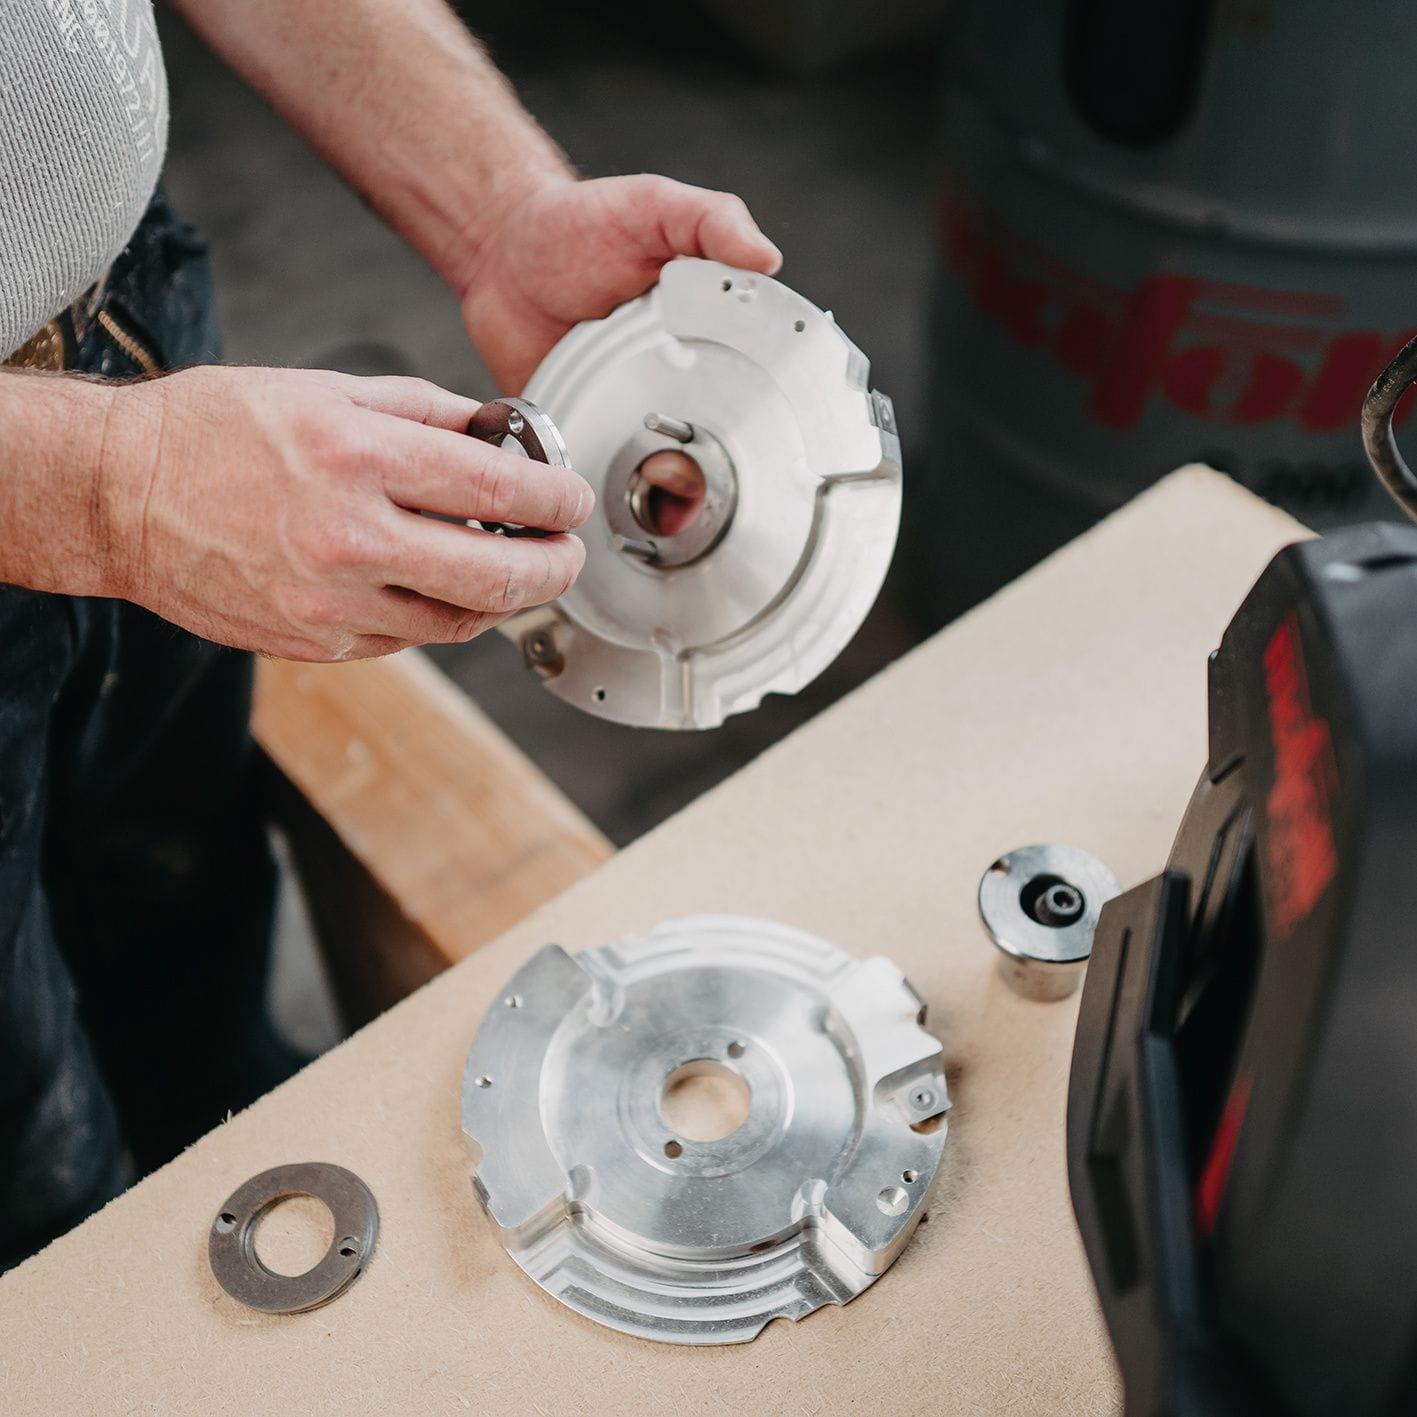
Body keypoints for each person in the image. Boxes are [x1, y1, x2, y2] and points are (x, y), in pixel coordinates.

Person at [0, 0, 782, 1271]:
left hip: (131, 316)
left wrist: (499, 216)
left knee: (182, 903)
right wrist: (111, 491)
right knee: (38, 1176)